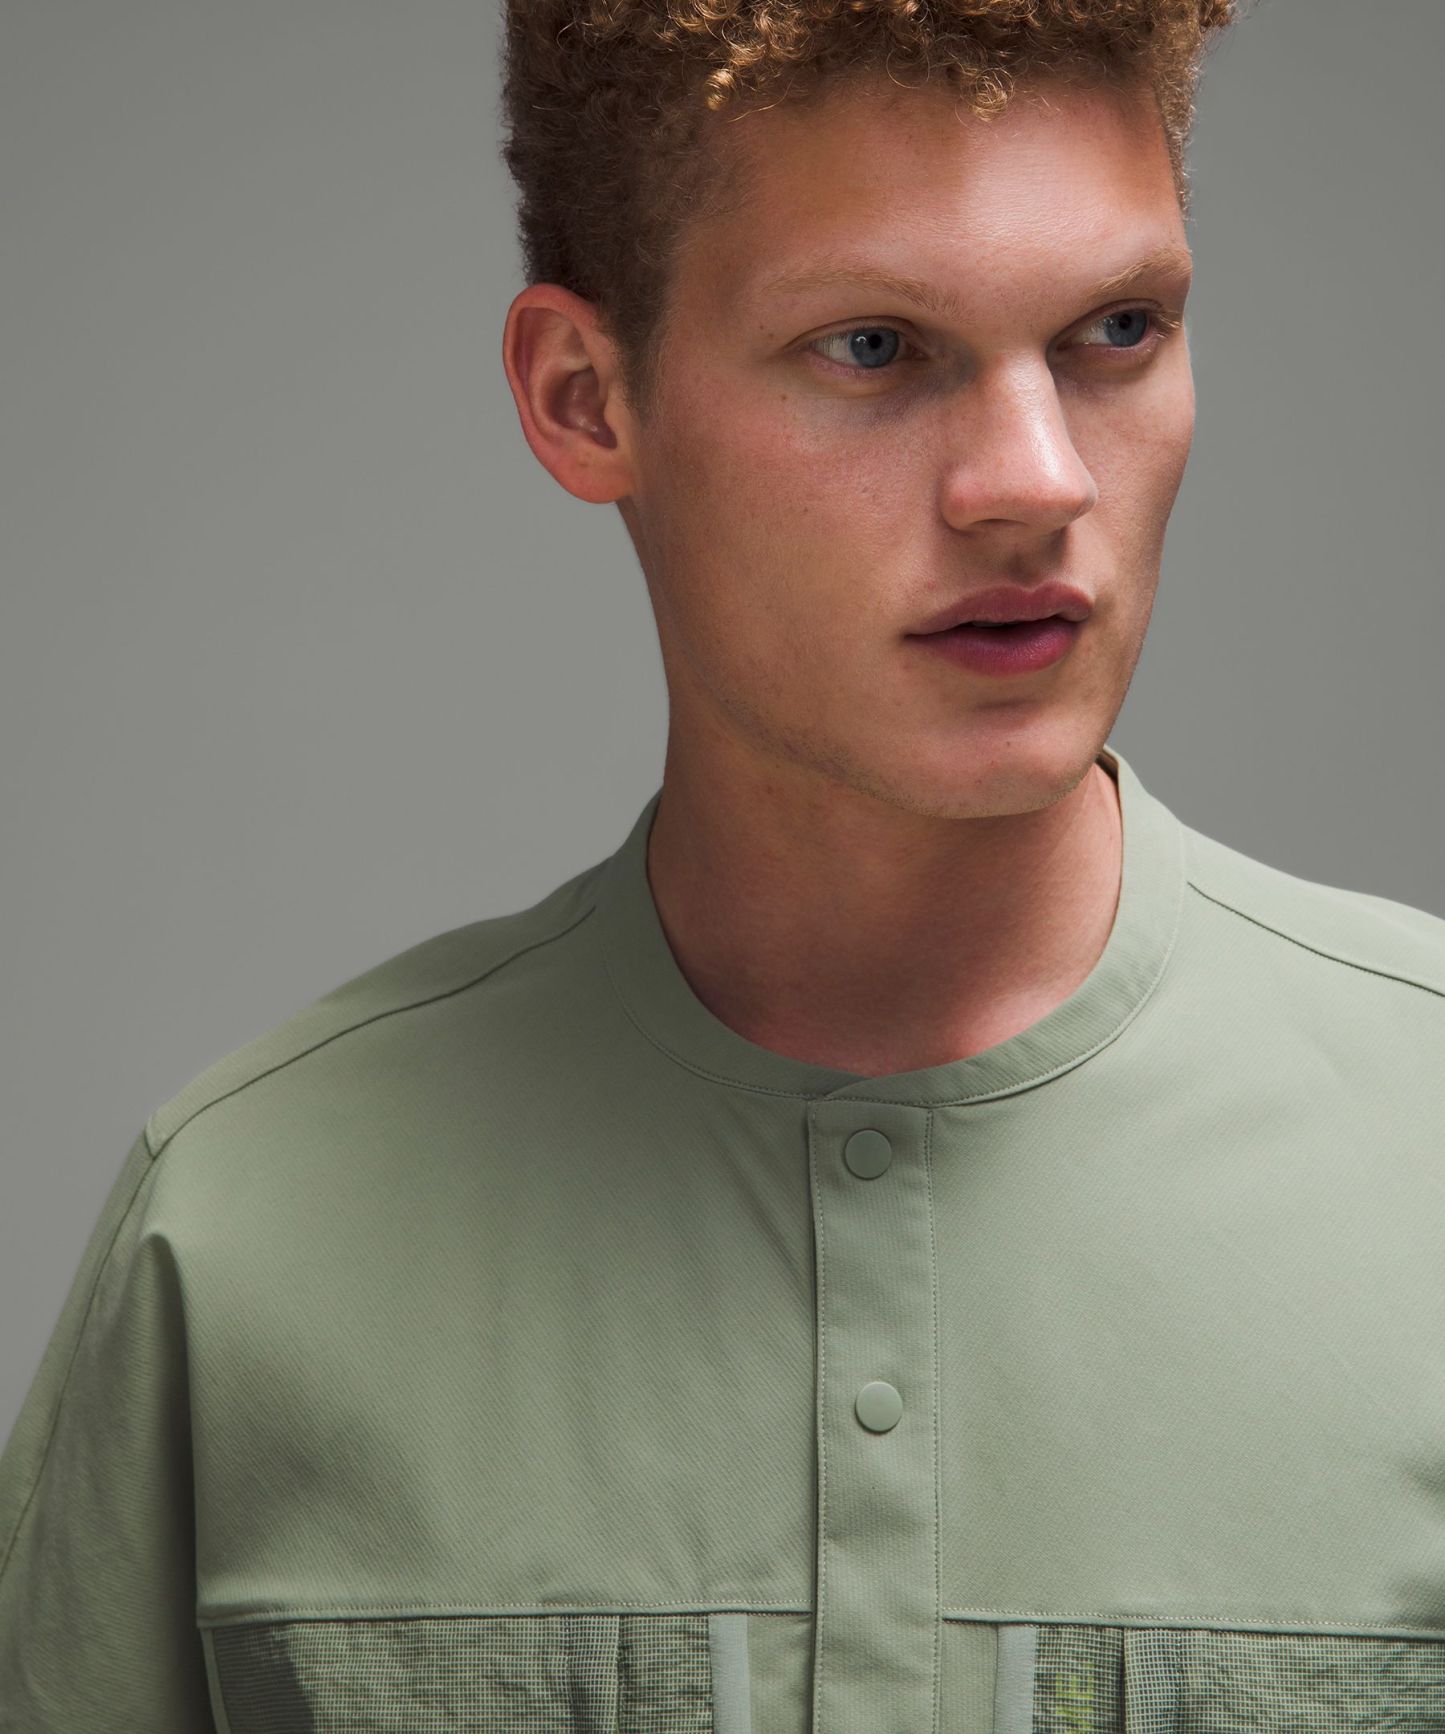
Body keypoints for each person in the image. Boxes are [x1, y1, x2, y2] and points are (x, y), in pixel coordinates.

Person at [7, 0, 1445, 1728]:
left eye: (1116, 330)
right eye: (873, 347)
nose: (1033, 480)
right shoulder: (243, 1231)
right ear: (584, 397)